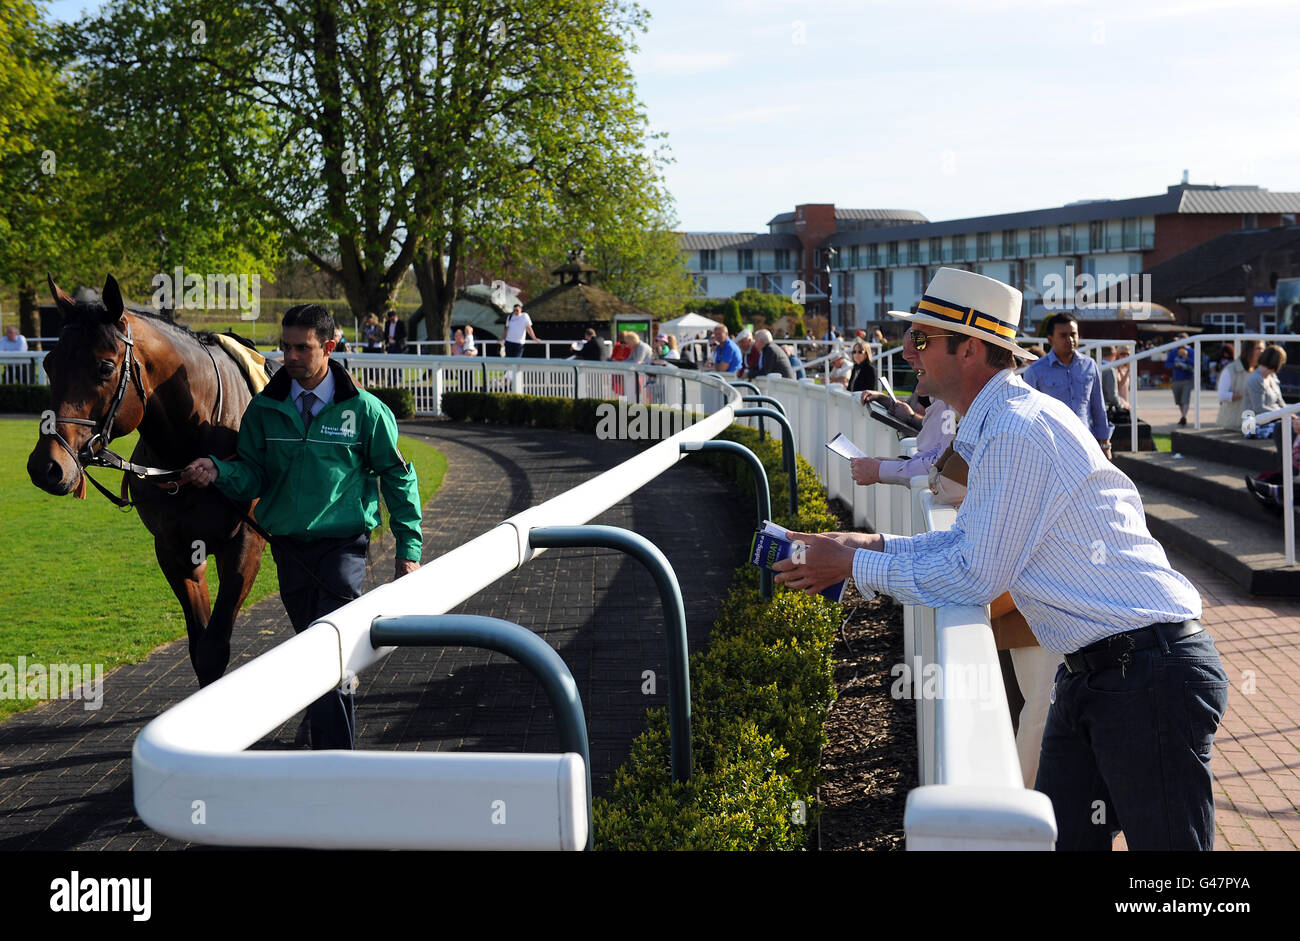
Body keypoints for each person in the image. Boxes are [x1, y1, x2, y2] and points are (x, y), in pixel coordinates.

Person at [773, 267, 1228, 851]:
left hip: (1145, 674)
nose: (909, 353)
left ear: (970, 349)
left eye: (921, 340)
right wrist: (869, 545)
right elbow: (969, 549)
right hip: (1108, 669)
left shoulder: (1015, 430)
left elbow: (973, 573)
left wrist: (855, 565)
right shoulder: (1002, 422)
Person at [180, 304, 423, 749]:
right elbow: (253, 474)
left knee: (324, 654)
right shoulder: (264, 410)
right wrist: (217, 471)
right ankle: (329, 744)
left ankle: (334, 761)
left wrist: (409, 547)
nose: (289, 356)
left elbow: (397, 475)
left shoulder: (366, 411)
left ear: (329, 347)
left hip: (343, 550)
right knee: (315, 652)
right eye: (285, 346)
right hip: (287, 549)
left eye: (302, 348)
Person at [1023, 313, 1113, 459]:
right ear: (1050, 339)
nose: (1070, 340)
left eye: (1073, 334)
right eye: (1063, 335)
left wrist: (1105, 444)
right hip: (1052, 449)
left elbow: (1098, 407)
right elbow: (1028, 414)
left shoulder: (1089, 365)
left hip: (1086, 445)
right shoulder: (1035, 371)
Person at [850, 392, 953, 487]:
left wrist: (879, 469)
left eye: (921, 372)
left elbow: (941, 467)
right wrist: (895, 464)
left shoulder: (949, 405)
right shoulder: (945, 402)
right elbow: (937, 454)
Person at [1220, 339, 1263, 430]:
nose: (1262, 351)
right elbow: (1222, 396)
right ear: (1248, 350)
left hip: (1251, 425)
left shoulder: (1260, 370)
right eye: (1258, 348)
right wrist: (1244, 394)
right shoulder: (1230, 370)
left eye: (1263, 348)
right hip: (1233, 424)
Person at [1243, 343, 1287, 432]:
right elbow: (1259, 408)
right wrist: (1283, 414)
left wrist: (1290, 413)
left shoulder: (1272, 377)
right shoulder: (1255, 379)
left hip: (1274, 419)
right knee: (1290, 429)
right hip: (1253, 426)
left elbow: (1280, 402)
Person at [1166, 333, 1195, 426]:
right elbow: (1167, 364)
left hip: (1188, 379)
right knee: (1178, 400)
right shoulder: (1173, 351)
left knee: (1185, 399)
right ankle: (1183, 415)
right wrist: (1174, 365)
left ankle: (1184, 417)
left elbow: (1196, 363)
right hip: (1176, 379)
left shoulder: (1191, 352)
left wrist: (1187, 359)